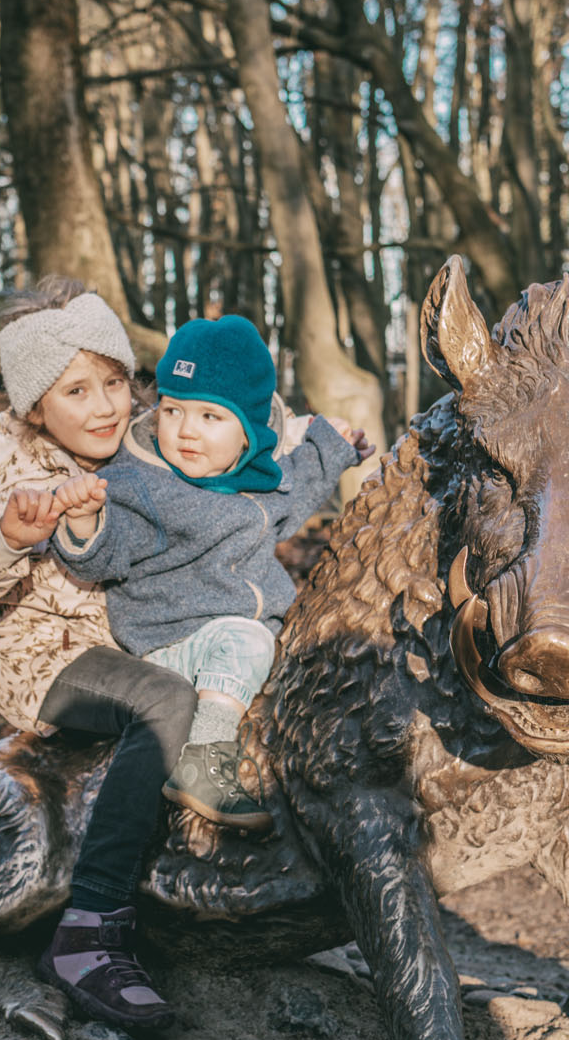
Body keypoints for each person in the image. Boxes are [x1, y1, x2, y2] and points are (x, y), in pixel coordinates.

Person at [0, 278, 194, 1032]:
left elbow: (223, 443)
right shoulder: (9, 478)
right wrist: (5, 536)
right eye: (75, 391)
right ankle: (89, 934)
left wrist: (317, 442)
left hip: (131, 632)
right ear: (34, 406)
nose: (103, 407)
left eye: (114, 383)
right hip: (41, 657)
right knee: (161, 701)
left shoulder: (139, 443)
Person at [31, 315, 371, 831]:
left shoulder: (255, 483)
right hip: (174, 643)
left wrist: (335, 446)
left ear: (249, 434)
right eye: (173, 410)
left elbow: (299, 485)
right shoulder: (142, 488)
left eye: (211, 417)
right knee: (248, 642)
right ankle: (202, 764)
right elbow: (106, 554)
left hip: (238, 640)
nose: (186, 430)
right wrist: (83, 522)